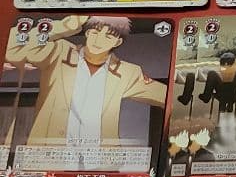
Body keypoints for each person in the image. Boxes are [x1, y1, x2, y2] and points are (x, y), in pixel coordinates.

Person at [5, 15, 166, 146]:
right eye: (95, 33)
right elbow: (12, 45)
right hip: (48, 156)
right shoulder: (59, 51)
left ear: (117, 42)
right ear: (88, 33)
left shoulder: (128, 72)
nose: (98, 41)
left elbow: (167, 95)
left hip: (99, 164)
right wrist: (70, 23)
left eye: (108, 36)